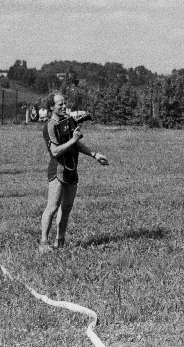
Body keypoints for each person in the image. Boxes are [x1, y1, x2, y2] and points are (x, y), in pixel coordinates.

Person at [40, 93, 109, 253]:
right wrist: (73, 139)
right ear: (52, 107)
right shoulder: (49, 126)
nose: (64, 106)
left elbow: (77, 145)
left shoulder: (69, 121)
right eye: (60, 104)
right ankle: (43, 243)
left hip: (72, 169)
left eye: (65, 103)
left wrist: (95, 154)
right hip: (58, 169)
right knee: (52, 207)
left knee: (67, 207)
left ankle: (60, 242)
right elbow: (55, 151)